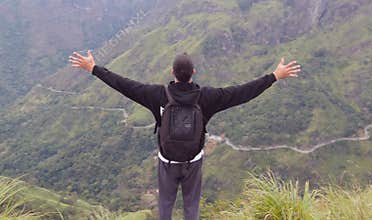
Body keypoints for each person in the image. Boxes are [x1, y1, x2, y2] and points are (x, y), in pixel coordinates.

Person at [69, 50, 301, 220]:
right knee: (191, 208)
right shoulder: (208, 98)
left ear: (172, 73)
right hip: (193, 163)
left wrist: (93, 69)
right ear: (193, 73)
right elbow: (242, 92)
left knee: (166, 205)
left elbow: (124, 84)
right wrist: (274, 76)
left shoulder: (157, 95)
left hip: (167, 163)